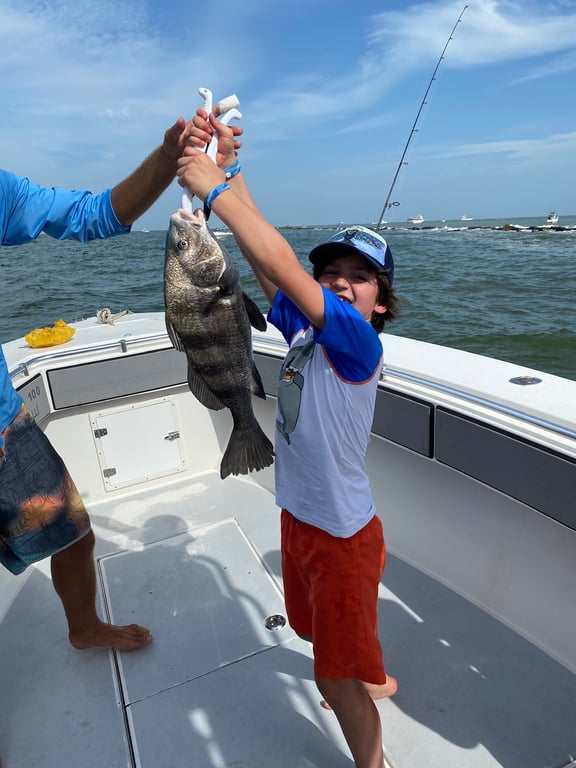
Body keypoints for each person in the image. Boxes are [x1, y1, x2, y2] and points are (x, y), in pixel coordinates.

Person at [177, 112, 401, 768]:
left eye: (359, 277)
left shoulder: (358, 346)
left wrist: (213, 190)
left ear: (380, 304)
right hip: (301, 519)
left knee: (331, 674)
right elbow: (266, 263)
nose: (340, 280)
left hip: (343, 537)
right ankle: (373, 678)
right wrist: (231, 167)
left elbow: (277, 257)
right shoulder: (305, 335)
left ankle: (373, 760)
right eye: (330, 270)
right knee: (322, 637)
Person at [0, 114, 236, 652]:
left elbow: (92, 215)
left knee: (75, 537)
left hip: (5, 422)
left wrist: (169, 151)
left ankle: (83, 627)